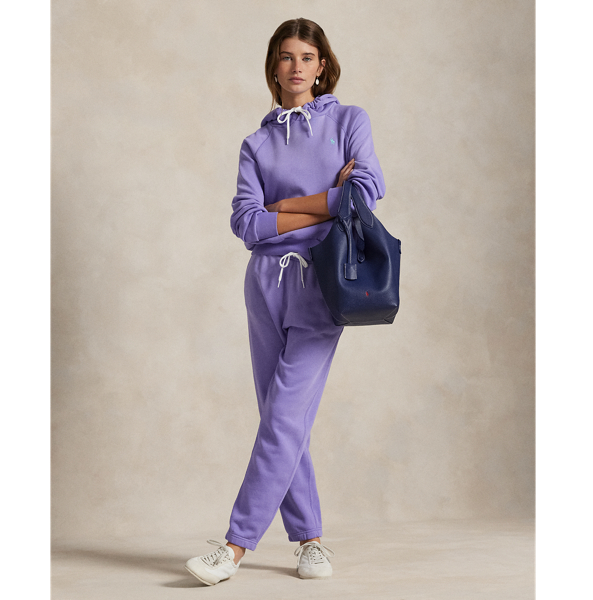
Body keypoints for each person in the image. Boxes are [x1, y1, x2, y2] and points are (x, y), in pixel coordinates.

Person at [185, 17, 386, 586]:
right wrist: (325, 199)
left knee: (283, 417)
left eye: (307, 57)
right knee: (280, 416)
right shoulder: (256, 143)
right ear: (274, 66)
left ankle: (234, 547)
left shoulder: (349, 121)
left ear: (322, 66)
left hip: (323, 282)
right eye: (286, 56)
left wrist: (287, 208)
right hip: (264, 286)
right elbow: (246, 224)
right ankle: (310, 541)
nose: (297, 67)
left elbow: (365, 192)